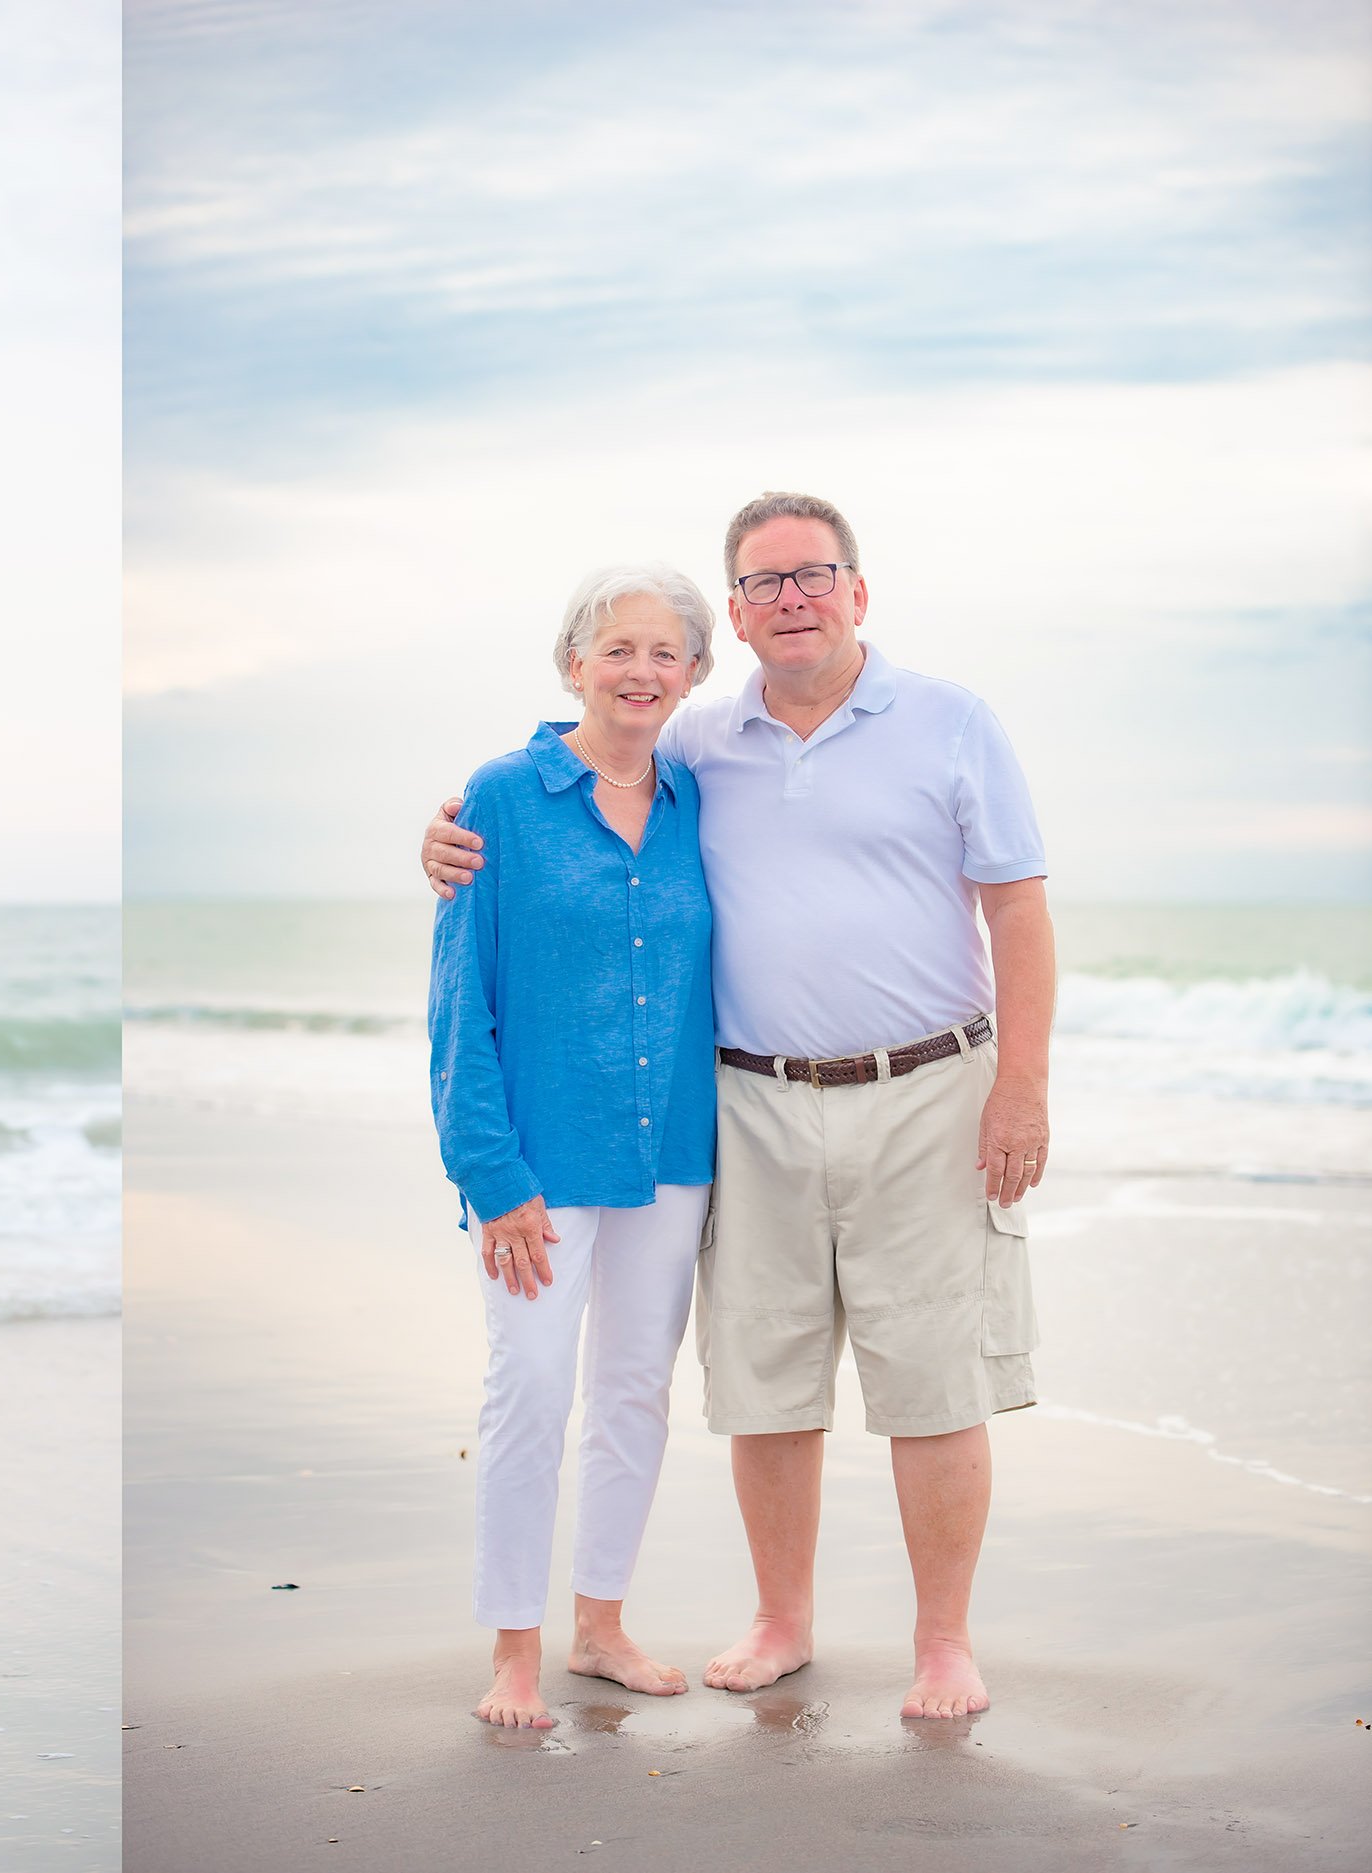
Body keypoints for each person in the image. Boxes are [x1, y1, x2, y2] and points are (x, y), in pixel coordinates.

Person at [423, 493, 1055, 1720]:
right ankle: (765, 1623)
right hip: (741, 1111)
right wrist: (444, 832)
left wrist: (1022, 1086)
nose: (790, 599)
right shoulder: (680, 750)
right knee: (754, 1382)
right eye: (762, 584)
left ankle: (939, 1645)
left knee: (922, 1385)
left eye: (811, 575)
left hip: (903, 1097)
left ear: (856, 589)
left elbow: (1017, 906)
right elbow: (562, 784)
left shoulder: (931, 726)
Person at [430, 566, 720, 1731]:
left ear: (694, 675)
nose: (641, 671)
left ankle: (599, 1627)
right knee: (530, 1390)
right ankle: (512, 1652)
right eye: (618, 649)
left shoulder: (701, 798)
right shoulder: (500, 798)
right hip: (538, 1169)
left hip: (674, 1159)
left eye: (665, 653)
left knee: (634, 1393)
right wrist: (490, 1178)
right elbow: (461, 1009)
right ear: (573, 664)